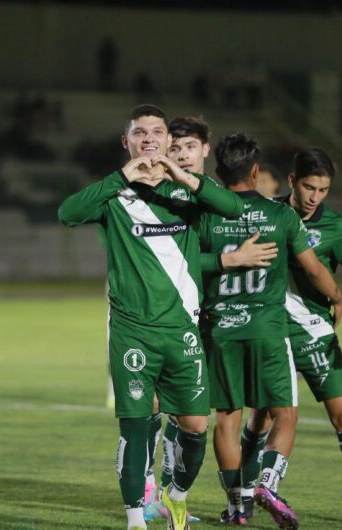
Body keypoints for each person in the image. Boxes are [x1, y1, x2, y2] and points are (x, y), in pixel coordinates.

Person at [58, 104, 243, 530]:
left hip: (182, 330)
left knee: (195, 426)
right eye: (140, 133)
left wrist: (183, 176)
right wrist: (121, 177)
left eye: (157, 132)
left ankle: (174, 496)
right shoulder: (114, 195)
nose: (149, 139)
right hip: (133, 333)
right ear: (127, 141)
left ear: (167, 140)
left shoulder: (188, 193)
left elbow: (233, 207)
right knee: (136, 427)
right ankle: (135, 521)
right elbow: (67, 213)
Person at [234, 148, 342, 526]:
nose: (314, 197)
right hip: (270, 331)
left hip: (315, 333)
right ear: (292, 181)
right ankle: (244, 497)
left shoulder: (337, 226)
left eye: (323, 190)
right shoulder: (268, 214)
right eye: (309, 187)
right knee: (263, 416)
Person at [198, 135, 342, 528]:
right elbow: (313, 269)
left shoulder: (206, 215)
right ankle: (267, 483)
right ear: (255, 171)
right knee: (285, 415)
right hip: (268, 329)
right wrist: (336, 295)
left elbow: (189, 262)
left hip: (222, 329)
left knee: (227, 419)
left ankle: (238, 507)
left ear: (218, 173)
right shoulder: (280, 215)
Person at [142, 115, 214, 524]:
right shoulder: (160, 194)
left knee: (193, 417)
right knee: (153, 405)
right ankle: (148, 490)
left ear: (206, 150)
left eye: (190, 147)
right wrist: (228, 260)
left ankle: (173, 491)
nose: (183, 155)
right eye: (176, 148)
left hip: (208, 316)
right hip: (162, 316)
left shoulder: (210, 195)